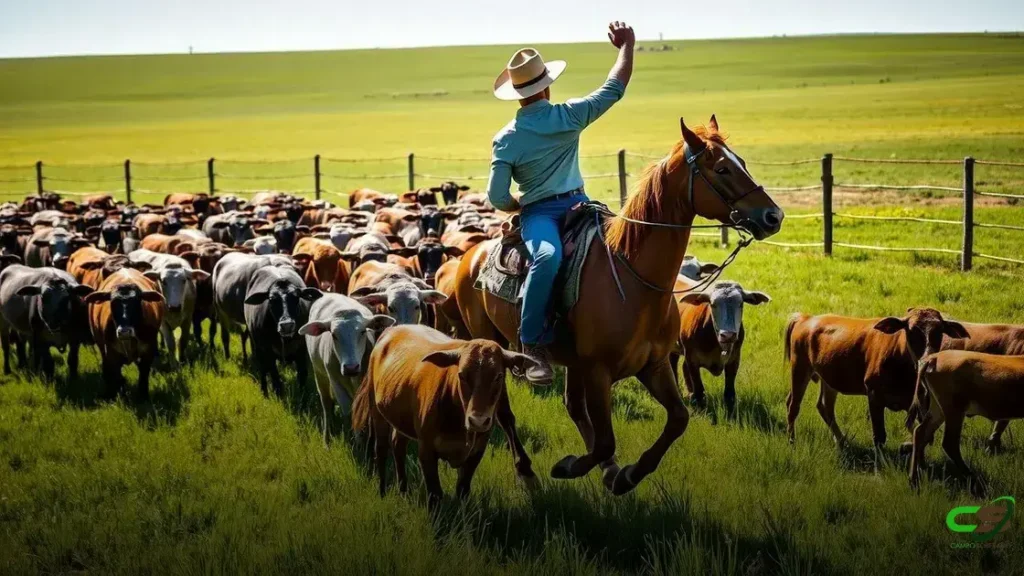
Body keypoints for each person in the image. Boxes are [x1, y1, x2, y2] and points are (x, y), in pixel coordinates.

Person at [486, 21, 635, 383]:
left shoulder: (506, 138)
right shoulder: (568, 115)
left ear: (517, 94)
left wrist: (516, 205)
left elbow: (496, 196)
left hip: (561, 209)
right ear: (547, 86)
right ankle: (531, 343)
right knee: (561, 255)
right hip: (555, 211)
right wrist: (626, 47)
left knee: (553, 257)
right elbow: (614, 87)